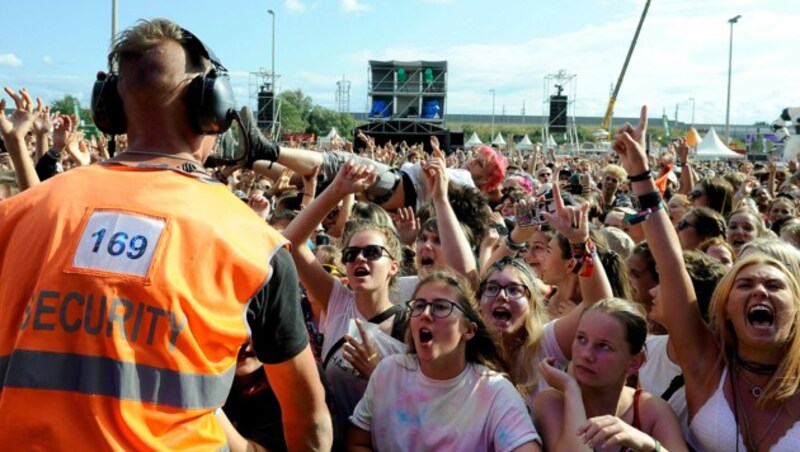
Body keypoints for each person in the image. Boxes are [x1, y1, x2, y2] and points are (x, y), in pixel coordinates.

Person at [0, 20, 331, 450]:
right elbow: (310, 424)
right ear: (212, 107)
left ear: (112, 109)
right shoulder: (251, 243)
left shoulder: (16, 216)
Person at [613, 104, 800, 451]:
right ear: (725, 307)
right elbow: (671, 265)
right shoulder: (706, 366)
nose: (760, 290)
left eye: (774, 285)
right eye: (744, 284)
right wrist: (640, 174)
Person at [348, 270, 542, 451]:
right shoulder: (388, 371)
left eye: (441, 307)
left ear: (469, 330)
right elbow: (357, 441)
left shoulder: (495, 392)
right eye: (419, 305)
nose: (425, 314)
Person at [534, 298, 687, 452]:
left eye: (604, 346)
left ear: (635, 362)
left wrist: (646, 443)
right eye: (581, 338)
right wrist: (571, 389)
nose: (587, 354)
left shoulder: (650, 410)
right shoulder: (553, 403)